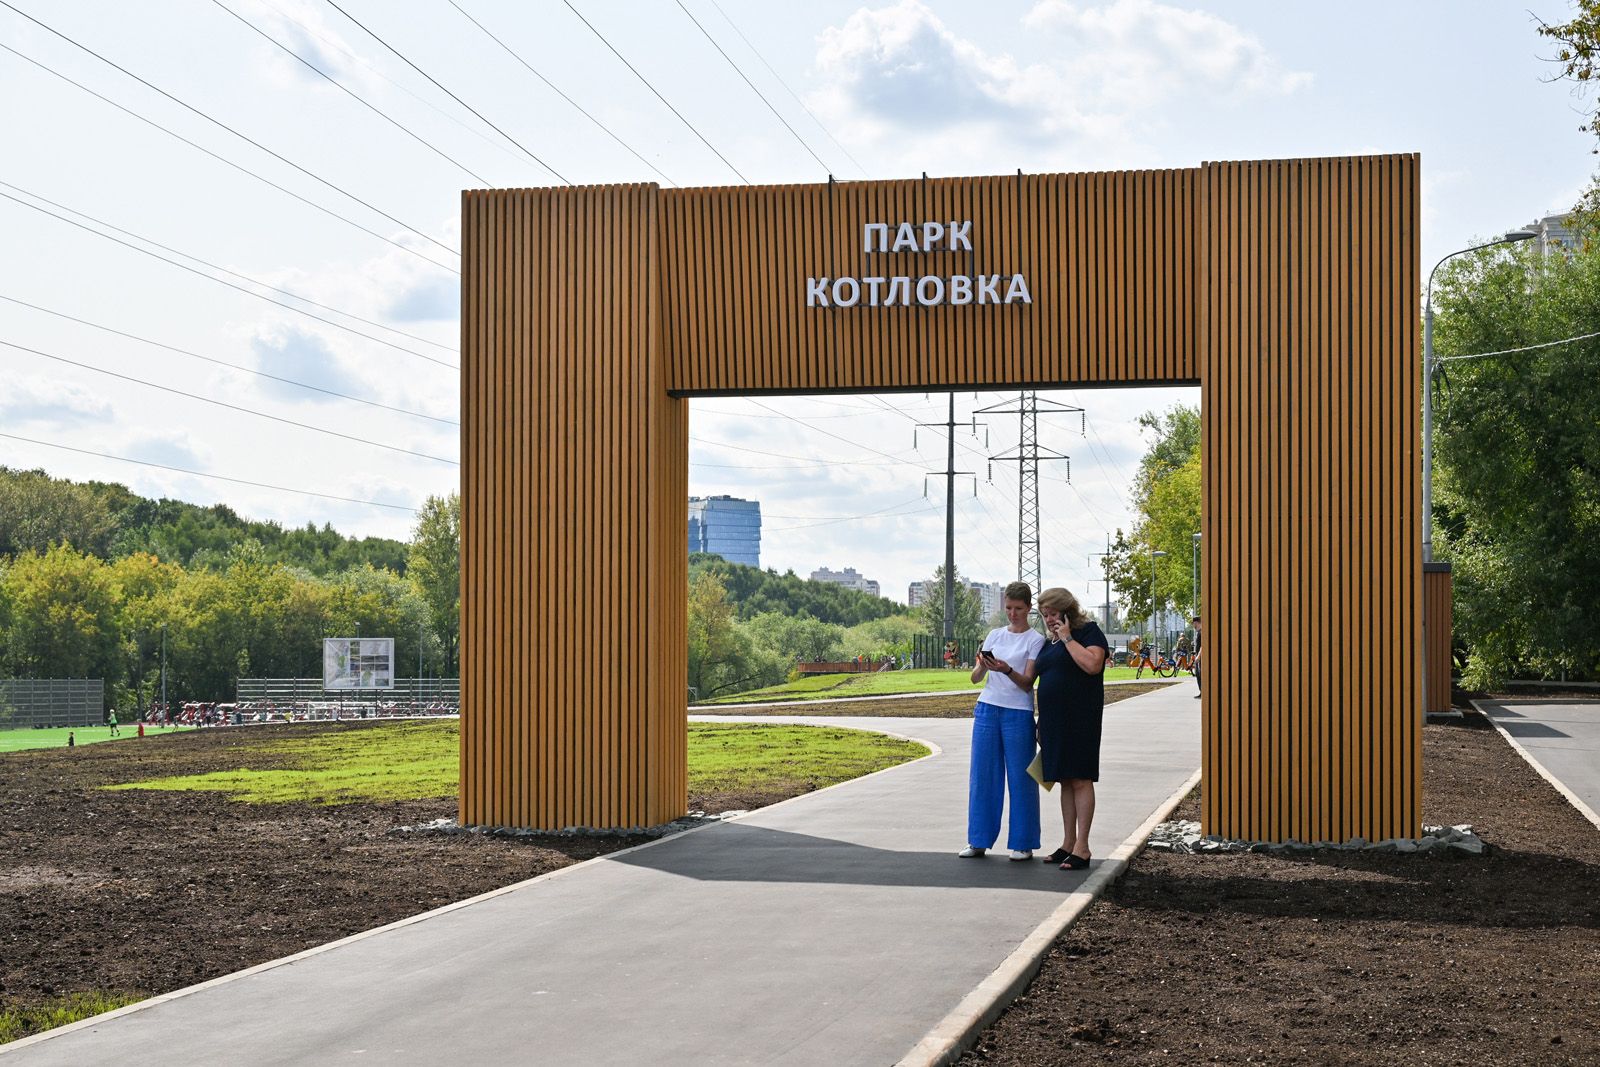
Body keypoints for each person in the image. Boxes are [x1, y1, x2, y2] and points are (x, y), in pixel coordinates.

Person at [959, 582, 1047, 861]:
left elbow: (1027, 683)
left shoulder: (1035, 640)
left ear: (1029, 608)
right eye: (1008, 608)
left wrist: (1006, 669)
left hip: (1017, 712)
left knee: (1021, 779)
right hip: (987, 709)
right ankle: (978, 840)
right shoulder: (994, 635)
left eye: (1018, 608)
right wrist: (983, 666)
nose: (1012, 613)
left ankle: (1023, 843)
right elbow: (975, 678)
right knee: (982, 776)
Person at [1025, 587, 1109, 871]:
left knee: (1081, 779)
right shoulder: (1048, 643)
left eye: (1052, 613)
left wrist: (1067, 638)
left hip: (1081, 719)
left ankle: (1082, 848)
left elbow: (1093, 665)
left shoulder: (1088, 632)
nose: (1048, 619)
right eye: (1044, 615)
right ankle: (1068, 843)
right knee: (1064, 780)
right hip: (1053, 721)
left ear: (1066, 610)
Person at [1191, 615, 1203, 699]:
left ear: (1196, 622)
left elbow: (1203, 645)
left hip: (1201, 658)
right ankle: (1202, 692)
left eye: (1193, 623)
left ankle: (1203, 692)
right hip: (1199, 657)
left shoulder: (1201, 632)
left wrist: (1198, 656)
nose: (1193, 625)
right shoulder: (1199, 632)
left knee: (1200, 675)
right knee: (1198, 675)